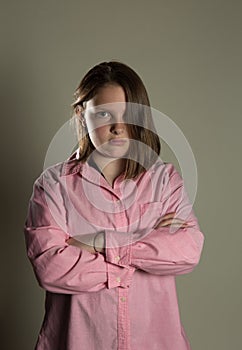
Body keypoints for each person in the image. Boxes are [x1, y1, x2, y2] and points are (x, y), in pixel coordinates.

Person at [24, 61, 204, 350]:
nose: (119, 128)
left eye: (128, 114)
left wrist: (99, 243)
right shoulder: (53, 186)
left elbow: (187, 250)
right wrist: (142, 251)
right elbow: (51, 267)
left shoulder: (164, 180)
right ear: (83, 115)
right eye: (104, 114)